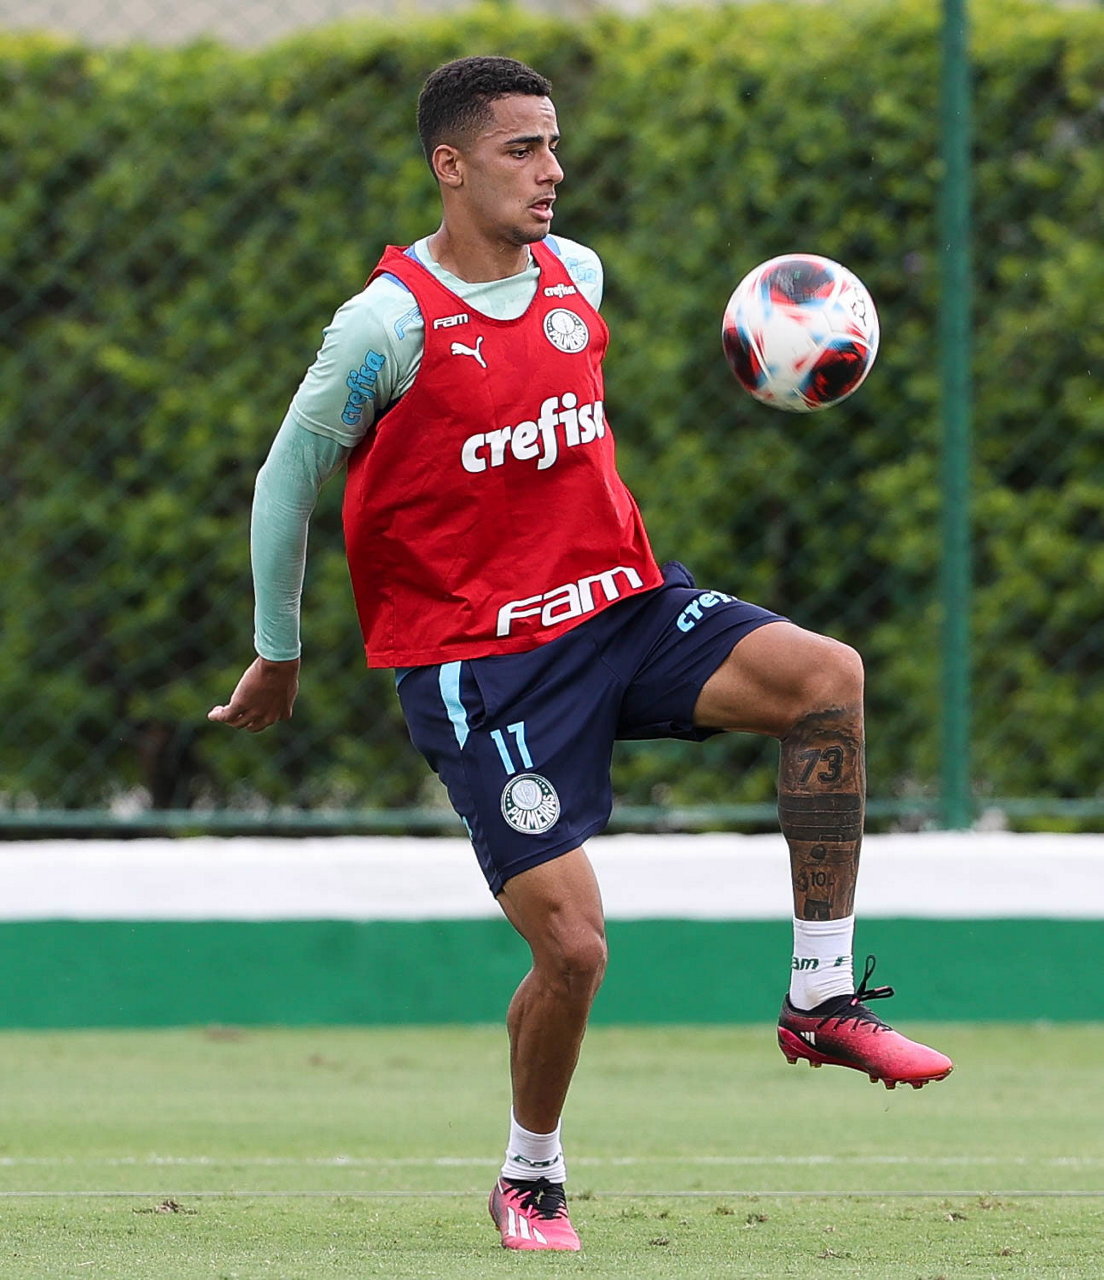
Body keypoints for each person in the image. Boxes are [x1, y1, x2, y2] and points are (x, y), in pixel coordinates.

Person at [209, 55, 952, 1253]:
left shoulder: (577, 274)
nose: (552, 170)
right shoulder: (387, 324)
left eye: (555, 144)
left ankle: (819, 990)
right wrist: (278, 650)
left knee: (829, 676)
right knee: (573, 947)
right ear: (451, 166)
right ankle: (532, 1170)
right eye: (522, 149)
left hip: (621, 611)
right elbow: (286, 480)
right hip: (482, 667)